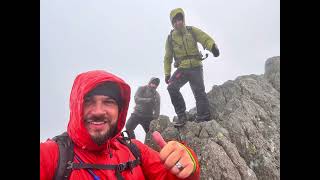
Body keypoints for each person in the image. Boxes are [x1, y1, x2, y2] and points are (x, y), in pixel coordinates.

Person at [40, 70, 200, 180]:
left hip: (146, 117)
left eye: (108, 102)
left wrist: (187, 165)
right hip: (137, 114)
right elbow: (138, 99)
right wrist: (146, 101)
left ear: (119, 110)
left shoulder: (137, 151)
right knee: (129, 129)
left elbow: (174, 177)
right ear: (75, 105)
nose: (98, 111)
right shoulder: (52, 155)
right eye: (88, 101)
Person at [163, 8, 220, 126]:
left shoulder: (191, 30)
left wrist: (213, 47)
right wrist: (167, 74)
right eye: (175, 21)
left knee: (199, 92)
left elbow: (205, 38)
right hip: (182, 68)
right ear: (172, 23)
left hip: (196, 67)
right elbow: (167, 57)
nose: (178, 23)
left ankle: (203, 117)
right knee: (172, 87)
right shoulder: (170, 38)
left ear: (183, 19)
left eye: (180, 20)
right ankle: (181, 116)